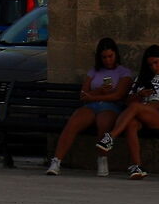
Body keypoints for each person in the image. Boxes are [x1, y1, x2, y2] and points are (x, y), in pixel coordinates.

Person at [45, 39, 134, 174]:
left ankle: (102, 159)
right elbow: (84, 94)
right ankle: (56, 161)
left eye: (110, 56)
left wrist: (94, 96)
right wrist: (98, 92)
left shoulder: (124, 72)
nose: (107, 60)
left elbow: (118, 95)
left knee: (103, 123)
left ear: (116, 55)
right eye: (104, 57)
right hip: (92, 105)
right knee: (73, 122)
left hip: (111, 106)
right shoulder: (94, 71)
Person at [103, 43, 159, 178]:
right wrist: (140, 95)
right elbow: (127, 101)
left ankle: (111, 137)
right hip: (139, 116)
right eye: (150, 65)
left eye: (156, 63)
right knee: (131, 123)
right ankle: (136, 166)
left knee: (135, 107)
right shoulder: (142, 79)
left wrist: (144, 106)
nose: (154, 67)